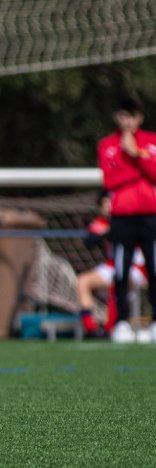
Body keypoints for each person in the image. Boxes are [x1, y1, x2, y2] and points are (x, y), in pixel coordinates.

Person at [98, 97, 156, 343]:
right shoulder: (107, 145)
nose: (127, 121)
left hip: (151, 216)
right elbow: (110, 180)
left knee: (154, 269)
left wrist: (136, 154)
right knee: (120, 270)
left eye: (131, 116)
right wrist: (138, 160)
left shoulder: (151, 141)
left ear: (139, 118)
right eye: (122, 116)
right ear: (116, 117)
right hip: (122, 218)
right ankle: (120, 322)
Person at [77, 191, 148, 339]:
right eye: (105, 203)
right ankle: (92, 330)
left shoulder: (132, 220)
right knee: (82, 281)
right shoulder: (102, 222)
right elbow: (89, 241)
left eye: (111, 202)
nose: (108, 206)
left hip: (136, 268)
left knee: (119, 280)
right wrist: (107, 232)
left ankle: (113, 327)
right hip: (111, 266)